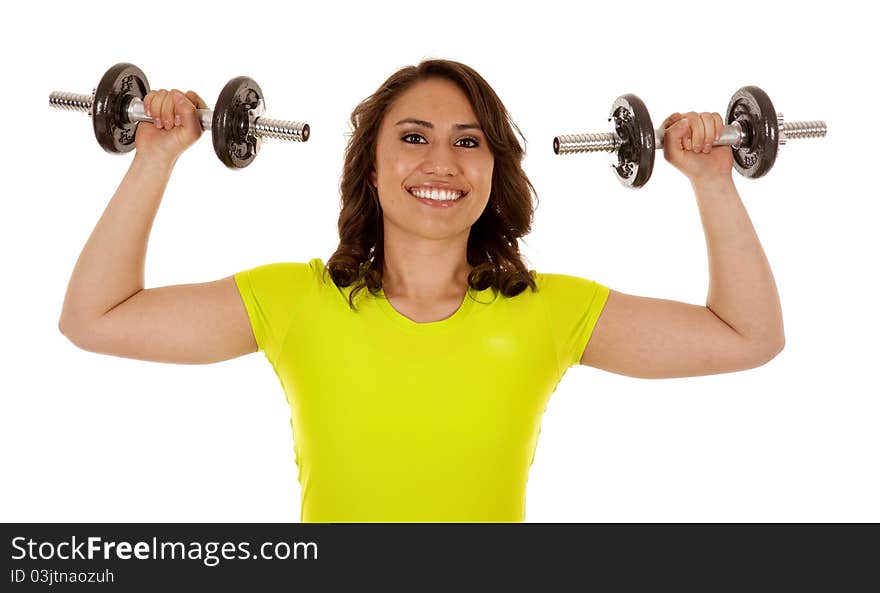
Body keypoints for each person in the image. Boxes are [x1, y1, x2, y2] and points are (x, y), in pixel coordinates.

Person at [59, 59, 785, 522]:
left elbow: (747, 335)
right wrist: (153, 157)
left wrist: (714, 181)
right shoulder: (295, 302)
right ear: (370, 170)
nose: (442, 160)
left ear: (493, 171)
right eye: (413, 137)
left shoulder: (547, 311)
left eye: (469, 141)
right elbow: (94, 317)